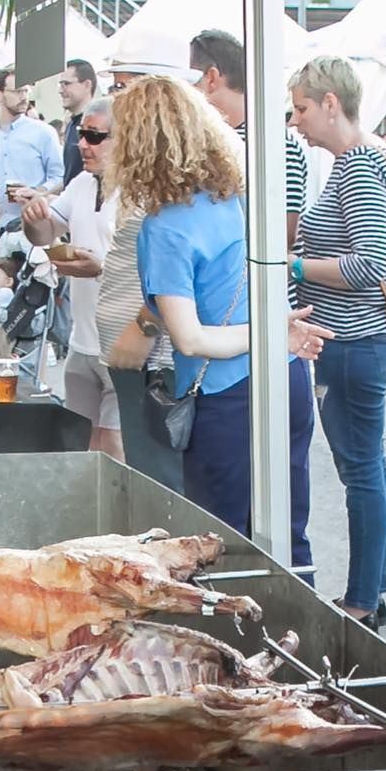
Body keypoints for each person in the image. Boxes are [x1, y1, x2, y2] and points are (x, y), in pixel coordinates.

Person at [111, 75, 329, 569]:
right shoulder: (243, 201)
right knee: (289, 536)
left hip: (227, 401)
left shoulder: (165, 227)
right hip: (285, 376)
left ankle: (235, 645)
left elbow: (190, 338)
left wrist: (272, 333)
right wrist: (277, 336)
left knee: (221, 550)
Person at [288, 55, 386, 627]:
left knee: (360, 472)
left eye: (302, 108)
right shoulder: (363, 161)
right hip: (362, 341)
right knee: (370, 469)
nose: (297, 121)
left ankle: (361, 601)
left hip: (354, 341)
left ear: (331, 103)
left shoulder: (358, 166)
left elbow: (368, 265)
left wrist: (294, 267)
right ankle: (372, 590)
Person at [96, 29, 203, 491]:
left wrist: (143, 327)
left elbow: (181, 259)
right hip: (138, 353)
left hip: (153, 358)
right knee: (152, 478)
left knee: (159, 486)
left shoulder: (175, 172)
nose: (114, 100)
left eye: (120, 87)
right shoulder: (154, 165)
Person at [22, 99, 121, 455]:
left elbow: (149, 272)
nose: (83, 144)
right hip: (82, 344)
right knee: (79, 447)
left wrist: (101, 269)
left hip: (122, 347)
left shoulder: (139, 193)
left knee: (113, 450)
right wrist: (32, 219)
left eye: (95, 136)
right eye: (82, 134)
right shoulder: (82, 183)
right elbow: (46, 234)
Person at [189, 30, 309, 248]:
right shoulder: (215, 140)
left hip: (253, 280)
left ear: (211, 78)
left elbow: (282, 235)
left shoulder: (273, 144)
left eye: (189, 82)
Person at [0, 67, 62, 232]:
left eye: (26, 90)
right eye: (17, 91)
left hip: (31, 227)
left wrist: (38, 191)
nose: (23, 97)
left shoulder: (43, 132)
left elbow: (60, 175)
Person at [57, 58, 97, 186]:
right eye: (60, 84)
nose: (61, 90)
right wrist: (42, 195)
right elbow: (70, 179)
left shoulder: (97, 126)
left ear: (86, 85)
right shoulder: (71, 124)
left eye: (66, 84)